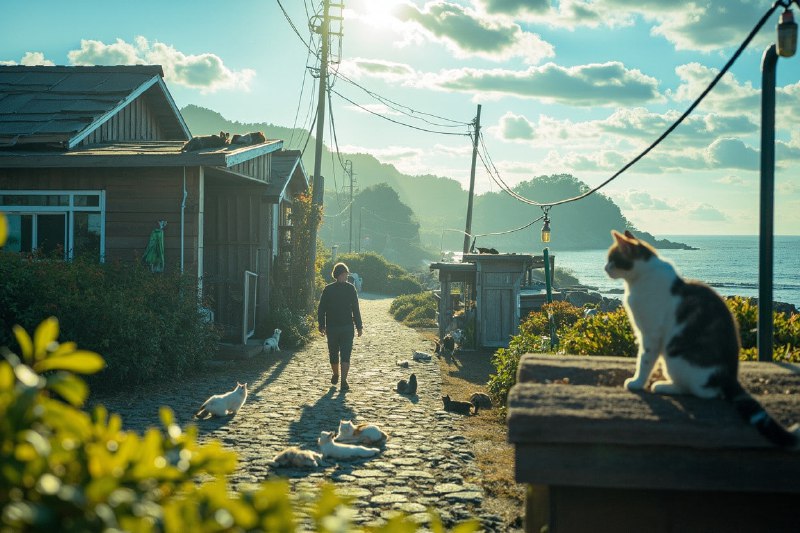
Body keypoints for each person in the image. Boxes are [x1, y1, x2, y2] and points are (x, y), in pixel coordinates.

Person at [317, 262, 363, 390]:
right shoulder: (328, 289)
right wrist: (321, 325)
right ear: (337, 275)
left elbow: (356, 308)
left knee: (346, 354)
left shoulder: (350, 289)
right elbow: (321, 309)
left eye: (346, 274)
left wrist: (359, 326)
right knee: (333, 353)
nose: (346, 277)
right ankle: (336, 374)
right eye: (343, 274)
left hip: (347, 327)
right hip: (332, 327)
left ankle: (344, 381)